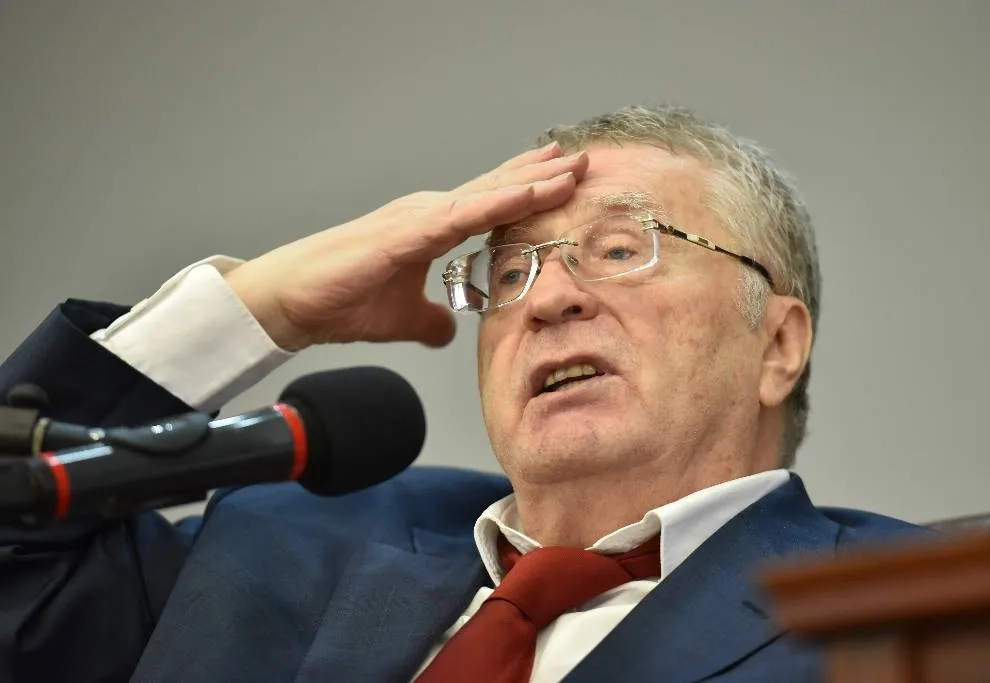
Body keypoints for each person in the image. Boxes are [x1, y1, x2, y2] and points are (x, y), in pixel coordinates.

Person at [0, 105, 924, 683]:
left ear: (779, 344)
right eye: (511, 272)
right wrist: (261, 305)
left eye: (619, 249)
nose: (549, 299)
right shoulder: (285, 539)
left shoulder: (918, 613)